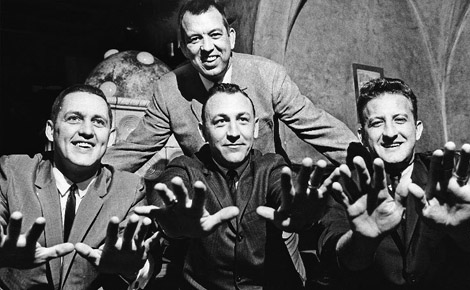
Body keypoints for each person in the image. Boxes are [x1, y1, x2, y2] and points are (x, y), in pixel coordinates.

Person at [103, 0, 357, 174]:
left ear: (231, 38)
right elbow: (134, 149)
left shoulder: (268, 75)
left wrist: (370, 161)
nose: (207, 48)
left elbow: (315, 125)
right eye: (195, 39)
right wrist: (75, 173)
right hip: (210, 214)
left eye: (215, 35)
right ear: (182, 48)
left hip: (270, 207)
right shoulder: (169, 89)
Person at [136, 83, 331, 289]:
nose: (233, 133)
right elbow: (168, 193)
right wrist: (171, 223)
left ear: (255, 127)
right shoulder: (185, 167)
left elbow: (284, 187)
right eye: (220, 122)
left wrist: (300, 211)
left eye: (243, 120)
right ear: (203, 132)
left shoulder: (271, 166)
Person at [317, 77, 470, 290]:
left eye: (400, 120)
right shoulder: (345, 184)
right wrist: (362, 241)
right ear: (362, 137)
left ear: (418, 129)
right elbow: (334, 251)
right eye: (377, 123)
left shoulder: (453, 173)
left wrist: (465, 228)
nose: (390, 133)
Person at [0, 84, 151, 290]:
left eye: (98, 122)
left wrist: (131, 269)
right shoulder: (12, 172)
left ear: (111, 137)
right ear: (51, 130)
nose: (87, 131)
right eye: (74, 118)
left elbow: (133, 254)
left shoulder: (130, 189)